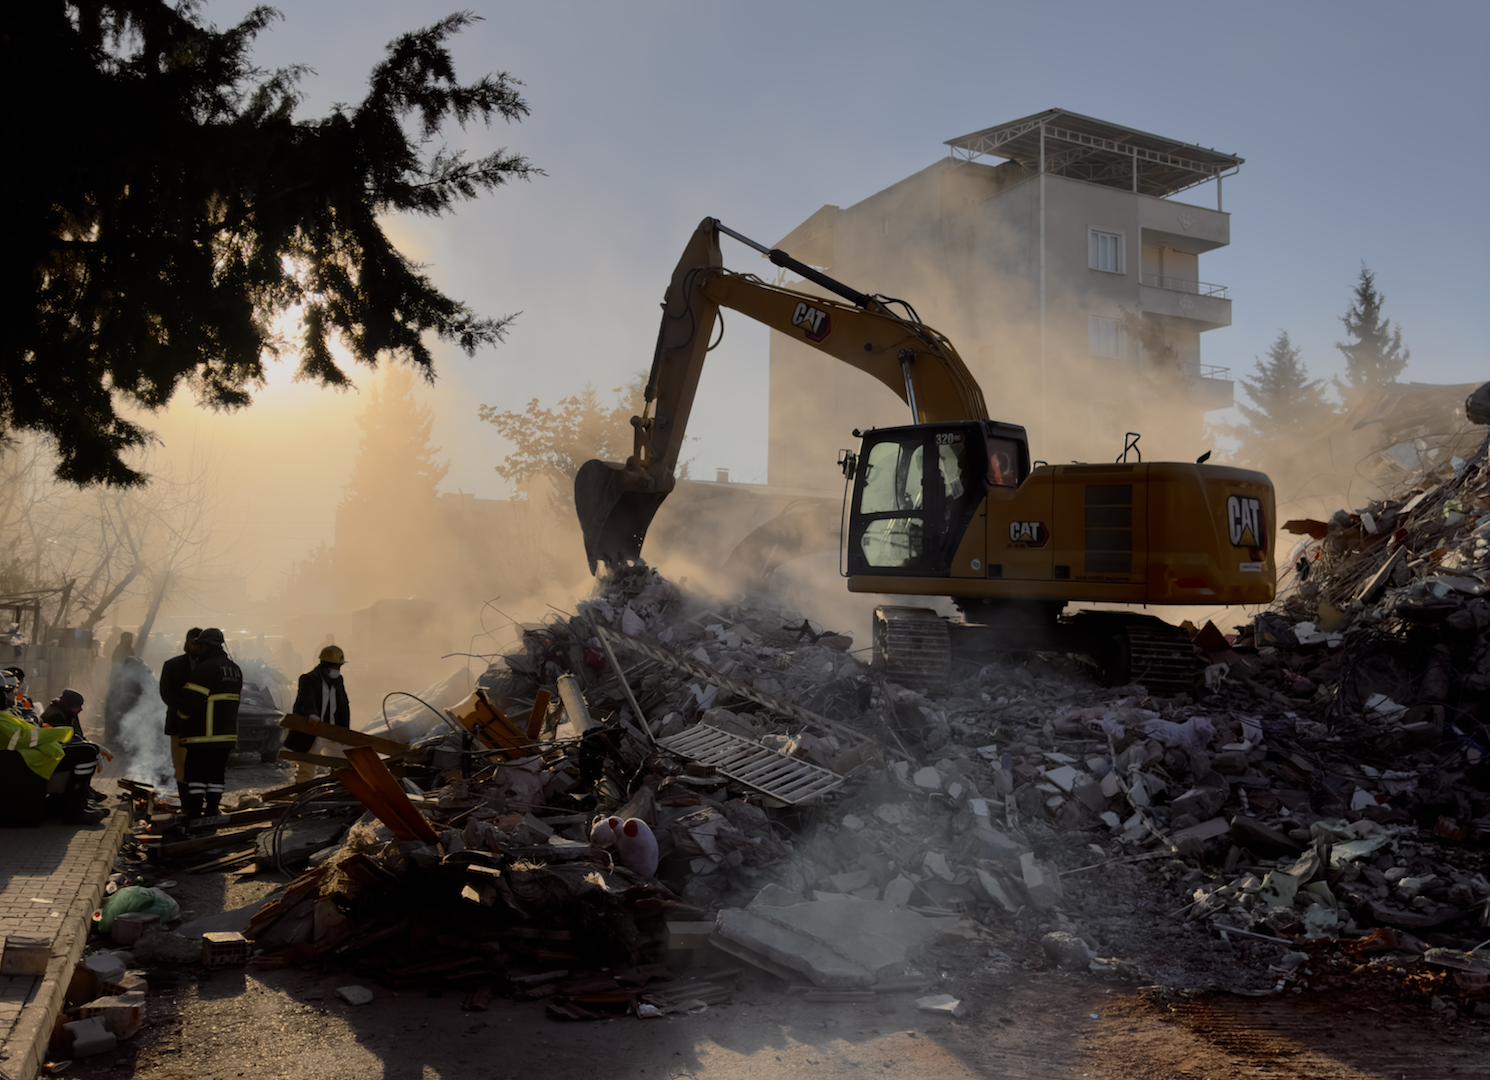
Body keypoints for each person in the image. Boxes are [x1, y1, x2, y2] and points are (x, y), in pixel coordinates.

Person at [7, 679, 106, 825]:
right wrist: (62, 733)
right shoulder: (55, 714)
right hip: (34, 759)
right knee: (87, 752)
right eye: (12, 692)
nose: (16, 695)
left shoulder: (65, 712)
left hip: (44, 754)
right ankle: (75, 812)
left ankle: (81, 802)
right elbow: (27, 737)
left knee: (88, 750)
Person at [168, 627, 241, 819]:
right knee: (216, 775)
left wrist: (181, 718)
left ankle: (194, 812)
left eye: (201, 645)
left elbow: (192, 701)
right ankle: (212, 810)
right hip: (226, 736)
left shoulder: (206, 668)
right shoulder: (234, 669)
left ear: (207, 645)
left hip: (202, 735)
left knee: (195, 776)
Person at [287, 645, 350, 784]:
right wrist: (312, 714)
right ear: (327, 666)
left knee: (345, 759)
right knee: (307, 766)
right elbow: (306, 699)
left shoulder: (338, 681)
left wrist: (345, 731)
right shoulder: (308, 679)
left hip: (332, 730)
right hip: (312, 730)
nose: (338, 671)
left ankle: (338, 788)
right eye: (337, 667)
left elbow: (343, 705)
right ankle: (302, 792)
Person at [159, 628, 203, 788]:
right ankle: (186, 803)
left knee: (200, 767)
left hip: (202, 725)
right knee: (181, 766)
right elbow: (166, 693)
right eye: (193, 643)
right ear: (186, 643)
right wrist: (187, 708)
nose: (196, 647)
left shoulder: (209, 667)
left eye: (200, 644)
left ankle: (197, 802)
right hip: (178, 723)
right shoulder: (172, 665)